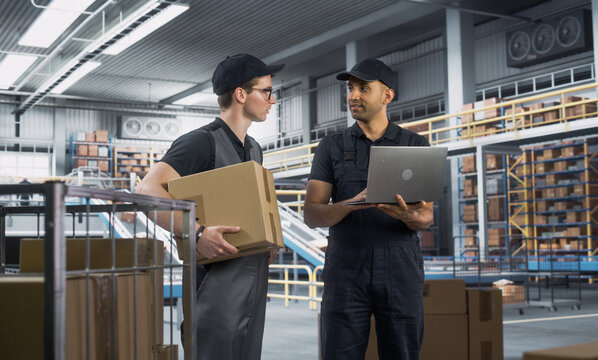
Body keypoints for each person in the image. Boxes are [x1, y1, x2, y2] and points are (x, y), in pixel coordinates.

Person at [135, 53, 283, 360]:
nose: (272, 99)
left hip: (252, 285)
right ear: (241, 94)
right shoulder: (201, 142)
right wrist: (197, 231)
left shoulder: (254, 149)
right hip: (215, 287)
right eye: (266, 91)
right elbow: (145, 191)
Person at [304, 58, 434, 360]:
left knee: (402, 353)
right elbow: (312, 214)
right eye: (350, 88)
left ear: (387, 95)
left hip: (400, 266)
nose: (353, 95)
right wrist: (355, 203)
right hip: (346, 267)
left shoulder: (414, 144)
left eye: (364, 88)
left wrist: (409, 216)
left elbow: (427, 217)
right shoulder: (331, 147)